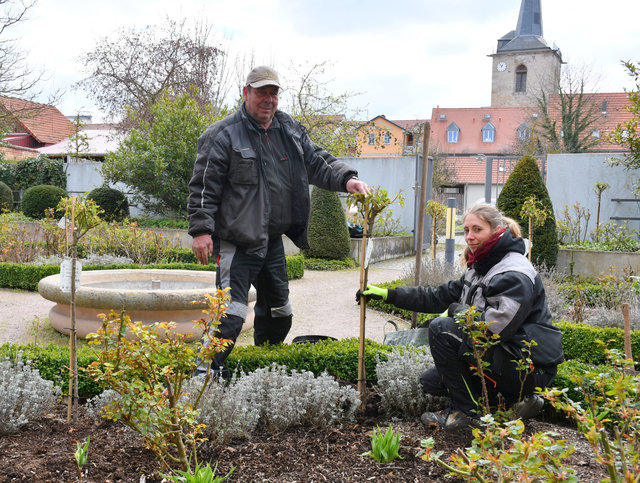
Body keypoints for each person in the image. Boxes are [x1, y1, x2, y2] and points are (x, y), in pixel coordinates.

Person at [188, 65, 370, 377]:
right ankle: (202, 376)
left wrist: (347, 180)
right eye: (261, 92)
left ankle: (261, 364)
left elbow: (317, 161)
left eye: (273, 93)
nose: (268, 99)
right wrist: (202, 230)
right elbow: (204, 186)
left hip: (272, 242)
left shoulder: (289, 129)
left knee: (279, 313)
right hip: (237, 243)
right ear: (246, 93)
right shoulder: (222, 135)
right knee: (230, 315)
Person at [359, 203, 564, 429]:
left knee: (441, 328)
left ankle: (466, 414)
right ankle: (508, 406)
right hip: (506, 358)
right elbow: (437, 296)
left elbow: (495, 329)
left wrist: (456, 311)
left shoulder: (513, 273)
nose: (469, 236)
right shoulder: (480, 267)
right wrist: (389, 294)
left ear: (496, 230)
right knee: (432, 381)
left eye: (477, 229)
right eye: (466, 230)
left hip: (528, 366)